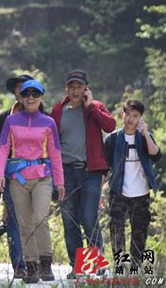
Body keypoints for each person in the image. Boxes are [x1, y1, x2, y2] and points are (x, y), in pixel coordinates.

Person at [0, 80, 65, 284]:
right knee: (24, 224)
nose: (31, 98)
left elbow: (55, 153)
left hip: (42, 177)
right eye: (27, 94)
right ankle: (32, 266)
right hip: (18, 178)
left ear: (41, 97)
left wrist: (59, 181)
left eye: (35, 94)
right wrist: (0, 174)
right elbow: (2, 148)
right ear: (21, 98)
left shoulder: (48, 122)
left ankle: (46, 262)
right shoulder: (11, 120)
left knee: (40, 218)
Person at [50, 70, 116, 278]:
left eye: (79, 87)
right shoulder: (58, 110)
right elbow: (51, 142)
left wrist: (90, 107)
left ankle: (97, 262)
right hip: (66, 172)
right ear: (66, 88)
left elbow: (110, 125)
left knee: (89, 217)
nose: (75, 90)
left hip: (90, 172)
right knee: (69, 220)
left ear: (86, 88)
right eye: (71, 87)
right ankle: (77, 266)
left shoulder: (95, 108)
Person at [0, 74, 35, 278]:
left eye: (28, 89)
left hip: (38, 176)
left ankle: (35, 261)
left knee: (34, 219)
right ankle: (19, 266)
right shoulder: (5, 117)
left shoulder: (44, 117)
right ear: (15, 93)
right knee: (13, 220)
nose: (24, 93)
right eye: (20, 89)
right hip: (12, 175)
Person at [104, 100, 162, 269]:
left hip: (141, 193)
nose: (130, 119)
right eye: (128, 114)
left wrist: (145, 133)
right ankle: (120, 265)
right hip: (118, 191)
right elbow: (105, 167)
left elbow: (156, 155)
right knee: (116, 230)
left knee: (139, 232)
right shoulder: (113, 139)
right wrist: (101, 191)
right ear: (122, 114)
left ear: (140, 118)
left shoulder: (145, 137)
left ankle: (135, 266)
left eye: (135, 116)